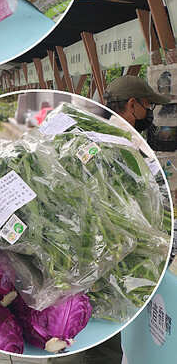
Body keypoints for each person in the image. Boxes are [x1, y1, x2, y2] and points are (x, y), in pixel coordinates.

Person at [47, 77, 169, 364]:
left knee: (81, 334)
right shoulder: (120, 145)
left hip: (74, 255)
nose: (149, 113)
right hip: (105, 258)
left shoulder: (83, 131)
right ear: (132, 104)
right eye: (148, 106)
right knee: (93, 342)